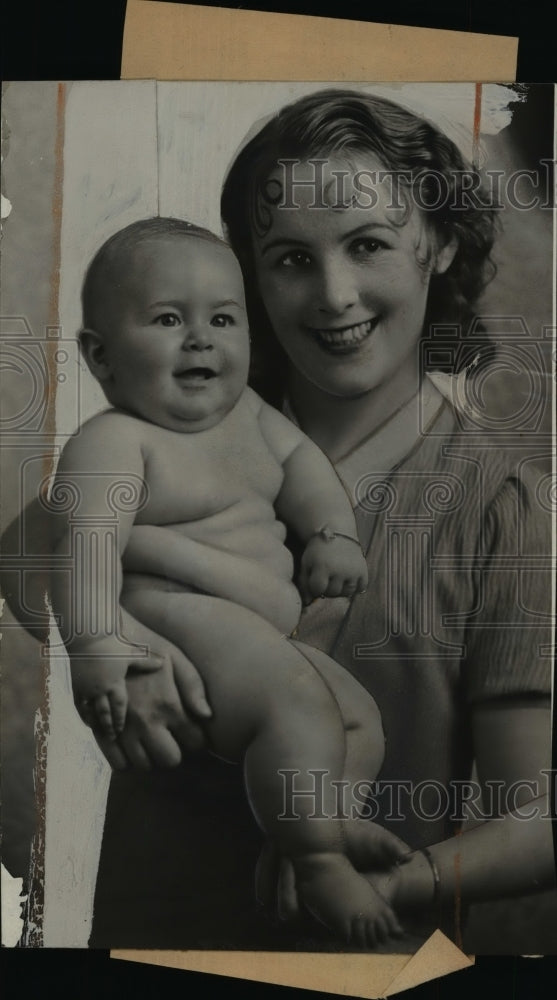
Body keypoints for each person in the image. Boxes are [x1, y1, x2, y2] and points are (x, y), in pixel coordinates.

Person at [2, 87, 554, 952]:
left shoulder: (501, 506)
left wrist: (384, 873)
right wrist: (121, 642)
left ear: (439, 245)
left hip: (360, 958)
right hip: (149, 938)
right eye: (290, 259)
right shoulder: (178, 425)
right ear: (249, 274)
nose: (333, 295)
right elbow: (31, 567)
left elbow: (538, 820)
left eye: (367, 245)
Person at [50, 213, 411, 948]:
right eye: (166, 319)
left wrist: (333, 532)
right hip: (180, 615)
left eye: (221, 318)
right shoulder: (116, 442)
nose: (200, 338)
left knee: (355, 720)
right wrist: (96, 641)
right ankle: (316, 859)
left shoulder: (252, 416)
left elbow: (308, 472)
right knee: (296, 707)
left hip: (260, 633)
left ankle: (310, 822)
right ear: (101, 356)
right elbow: (83, 547)